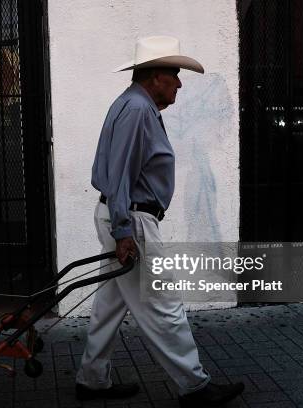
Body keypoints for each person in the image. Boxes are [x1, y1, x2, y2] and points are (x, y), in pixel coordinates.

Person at [75, 36, 245, 407]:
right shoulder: (137, 109)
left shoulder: (134, 105)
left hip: (123, 215)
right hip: (131, 219)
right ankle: (195, 387)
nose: (179, 84)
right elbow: (121, 173)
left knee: (110, 305)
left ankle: (91, 379)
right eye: (174, 75)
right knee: (163, 304)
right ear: (154, 77)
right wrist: (123, 232)